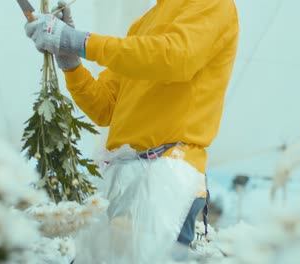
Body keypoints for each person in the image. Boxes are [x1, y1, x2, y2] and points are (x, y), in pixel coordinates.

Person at [25, 0, 239, 262]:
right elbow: (105, 107)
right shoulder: (143, 23)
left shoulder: (212, 4)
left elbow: (175, 57)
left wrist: (82, 42)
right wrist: (70, 62)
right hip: (121, 175)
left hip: (169, 173)